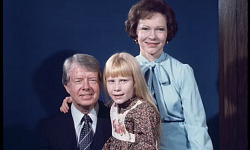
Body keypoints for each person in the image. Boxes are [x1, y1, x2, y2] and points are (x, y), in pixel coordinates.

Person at [61, 0, 213, 149]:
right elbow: (113, 106)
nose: (152, 36)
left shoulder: (182, 71)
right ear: (135, 31)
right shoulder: (124, 69)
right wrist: (77, 101)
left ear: (168, 32)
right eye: (145, 29)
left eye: (160, 29)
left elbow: (196, 125)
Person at [37, 54, 111, 150]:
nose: (86, 87)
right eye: (78, 81)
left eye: (92, 80)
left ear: (100, 83)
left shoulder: (116, 120)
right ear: (67, 87)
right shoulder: (48, 128)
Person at [101, 52, 161, 149]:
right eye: (111, 81)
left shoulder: (143, 111)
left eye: (123, 80)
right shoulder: (115, 106)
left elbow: (145, 146)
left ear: (135, 82)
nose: (116, 88)